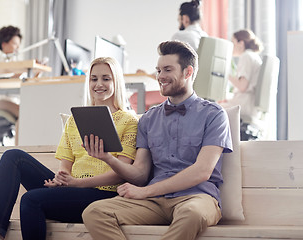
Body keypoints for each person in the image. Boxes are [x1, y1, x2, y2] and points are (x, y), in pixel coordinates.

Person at [82, 40, 233, 240]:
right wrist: (108, 158)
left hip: (197, 197)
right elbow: (140, 174)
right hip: (154, 201)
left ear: (188, 72)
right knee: (95, 212)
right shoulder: (148, 119)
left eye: (167, 70)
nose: (160, 76)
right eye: (158, 70)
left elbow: (202, 171)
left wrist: (145, 192)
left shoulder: (214, 115)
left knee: (191, 214)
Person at [0, 57, 138, 240]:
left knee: (30, 200)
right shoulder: (74, 120)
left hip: (104, 194)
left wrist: (76, 183)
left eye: (106, 78)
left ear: (116, 82)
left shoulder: (129, 121)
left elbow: (122, 173)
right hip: (73, 188)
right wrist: (61, 178)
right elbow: (66, 164)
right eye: (94, 79)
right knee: (13, 157)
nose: (99, 84)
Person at [220, 29, 263, 122]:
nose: (231, 46)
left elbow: (242, 86)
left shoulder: (246, 56)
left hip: (245, 105)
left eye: (233, 42)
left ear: (241, 43)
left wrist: (226, 74)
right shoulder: (253, 56)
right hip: (250, 105)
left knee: (212, 108)